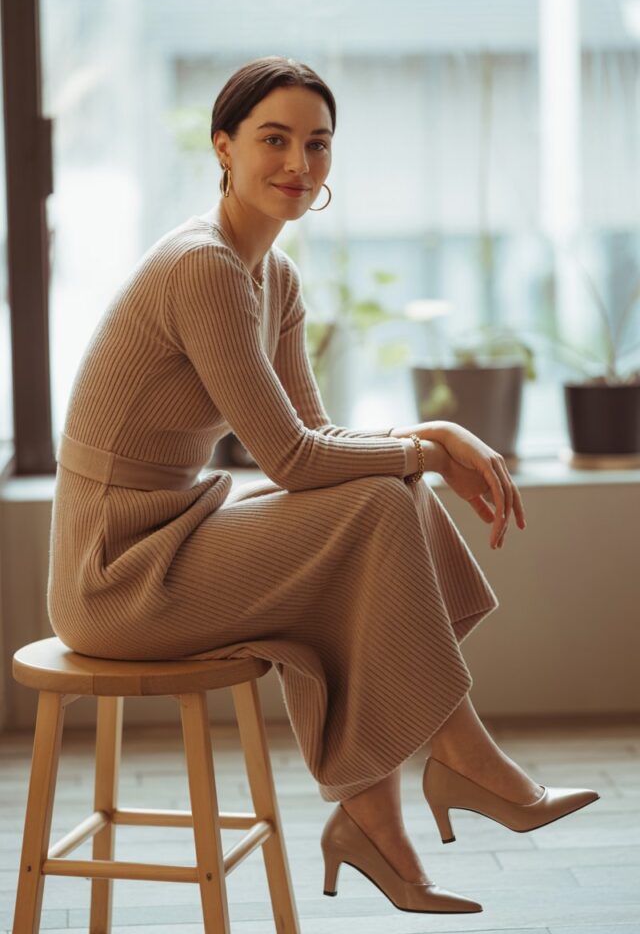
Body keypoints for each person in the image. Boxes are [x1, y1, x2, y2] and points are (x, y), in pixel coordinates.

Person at [47, 55, 599, 915]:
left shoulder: (276, 278)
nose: (298, 166)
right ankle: (456, 762)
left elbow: (316, 438)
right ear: (222, 146)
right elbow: (295, 464)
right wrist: (422, 449)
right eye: (274, 140)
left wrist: (429, 437)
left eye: (317, 144)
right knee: (380, 500)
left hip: (171, 532)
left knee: (386, 501)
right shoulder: (204, 269)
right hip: (114, 575)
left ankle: (377, 818)